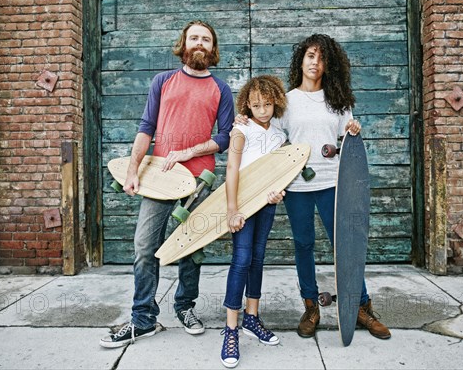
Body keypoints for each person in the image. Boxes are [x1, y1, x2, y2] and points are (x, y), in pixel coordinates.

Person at [235, 34, 391, 340]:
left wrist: (353, 129)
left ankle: (360, 307)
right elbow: (268, 136)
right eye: (309, 56)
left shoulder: (338, 100)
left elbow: (348, 138)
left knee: (345, 246)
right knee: (303, 245)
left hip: (334, 184)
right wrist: (244, 120)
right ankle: (311, 307)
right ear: (301, 60)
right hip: (297, 187)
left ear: (327, 64)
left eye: (320, 58)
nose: (314, 62)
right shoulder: (287, 101)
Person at [100, 20, 235, 348]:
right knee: (145, 246)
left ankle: (185, 307)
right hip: (160, 177)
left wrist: (190, 150)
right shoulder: (163, 81)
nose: (199, 43)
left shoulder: (221, 88)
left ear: (212, 48)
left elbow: (225, 137)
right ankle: (143, 317)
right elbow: (146, 128)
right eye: (194, 38)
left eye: (205, 39)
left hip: (200, 180)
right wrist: (133, 171)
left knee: (191, 248)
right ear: (184, 44)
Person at [220, 76, 287, 368]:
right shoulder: (241, 130)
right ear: (247, 103)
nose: (262, 110)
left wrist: (278, 192)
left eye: (268, 104)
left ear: (276, 103)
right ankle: (231, 329)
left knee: (258, 259)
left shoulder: (279, 135)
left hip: (266, 205)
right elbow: (232, 168)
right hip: (243, 205)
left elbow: (280, 171)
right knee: (241, 260)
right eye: (257, 105)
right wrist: (232, 209)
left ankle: (252, 318)